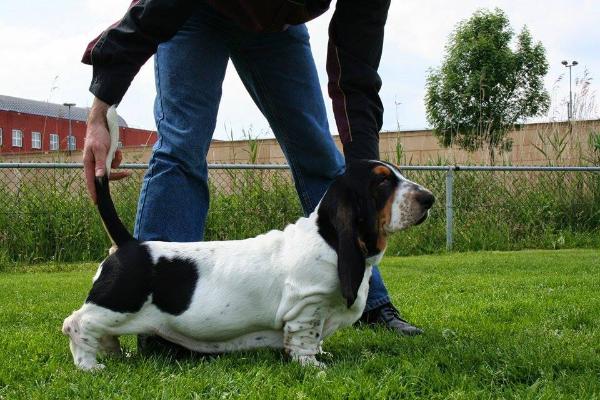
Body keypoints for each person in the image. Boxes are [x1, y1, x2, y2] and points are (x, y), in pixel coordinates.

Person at [82, 0, 422, 354]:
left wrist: (365, 166)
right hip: (192, 12)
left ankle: (368, 300)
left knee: (321, 158)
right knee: (180, 148)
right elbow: (152, 12)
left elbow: (358, 63)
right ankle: (158, 323)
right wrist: (100, 110)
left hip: (278, 27)